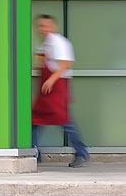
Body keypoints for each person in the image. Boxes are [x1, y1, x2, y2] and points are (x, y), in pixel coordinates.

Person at [32, 14, 89, 168]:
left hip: (56, 87)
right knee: (35, 120)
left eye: (46, 26)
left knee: (65, 121)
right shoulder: (43, 45)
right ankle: (33, 152)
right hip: (46, 89)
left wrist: (51, 80)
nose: (42, 29)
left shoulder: (59, 42)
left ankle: (81, 153)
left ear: (53, 26)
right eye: (40, 26)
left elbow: (65, 64)